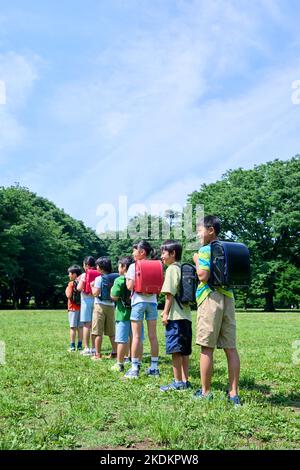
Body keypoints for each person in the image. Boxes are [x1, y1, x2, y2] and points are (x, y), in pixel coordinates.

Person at [193, 215, 241, 405]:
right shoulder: (228, 249)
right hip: (228, 298)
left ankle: (205, 392)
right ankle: (233, 394)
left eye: (200, 230)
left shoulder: (206, 249)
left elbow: (203, 276)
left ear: (210, 230)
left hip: (210, 298)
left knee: (207, 347)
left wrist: (197, 259)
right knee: (230, 348)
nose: (198, 233)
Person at [160, 240, 192, 391]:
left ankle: (177, 382)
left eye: (164, 253)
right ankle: (185, 381)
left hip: (175, 317)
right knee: (185, 351)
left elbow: (169, 294)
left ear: (173, 254)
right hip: (186, 317)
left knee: (175, 351)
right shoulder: (183, 268)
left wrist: (165, 313)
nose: (162, 256)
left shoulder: (172, 269)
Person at [125, 240, 159, 379]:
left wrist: (128, 279)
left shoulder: (134, 266)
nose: (133, 253)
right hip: (152, 303)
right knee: (153, 336)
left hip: (138, 302)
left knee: (137, 336)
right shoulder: (156, 265)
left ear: (142, 252)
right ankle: (154, 368)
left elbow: (129, 286)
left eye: (134, 250)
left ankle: (134, 368)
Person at [110, 256, 144, 372]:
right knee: (137, 338)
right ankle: (137, 362)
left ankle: (120, 363)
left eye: (119, 266)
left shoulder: (119, 280)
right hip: (137, 313)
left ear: (123, 267)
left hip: (122, 314)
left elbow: (114, 296)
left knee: (122, 340)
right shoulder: (137, 278)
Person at [90, 257, 117, 361]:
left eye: (97, 266)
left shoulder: (98, 279)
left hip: (100, 306)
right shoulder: (114, 277)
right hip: (111, 306)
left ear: (101, 268)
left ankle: (97, 354)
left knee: (98, 332)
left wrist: (92, 286)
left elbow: (95, 293)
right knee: (111, 332)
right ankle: (115, 352)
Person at [77, 256, 97, 356]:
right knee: (94, 325)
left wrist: (79, 280)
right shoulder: (99, 273)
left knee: (86, 325)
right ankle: (94, 348)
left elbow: (79, 288)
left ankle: (86, 348)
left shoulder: (85, 275)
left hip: (86, 301)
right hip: (96, 301)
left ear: (86, 265)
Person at [65, 265, 83, 352]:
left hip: (72, 308)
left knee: (73, 327)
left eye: (70, 274)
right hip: (81, 308)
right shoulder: (82, 282)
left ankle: (72, 346)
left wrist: (66, 289)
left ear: (74, 274)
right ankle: (80, 346)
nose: (69, 275)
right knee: (80, 327)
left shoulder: (71, 283)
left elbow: (68, 295)